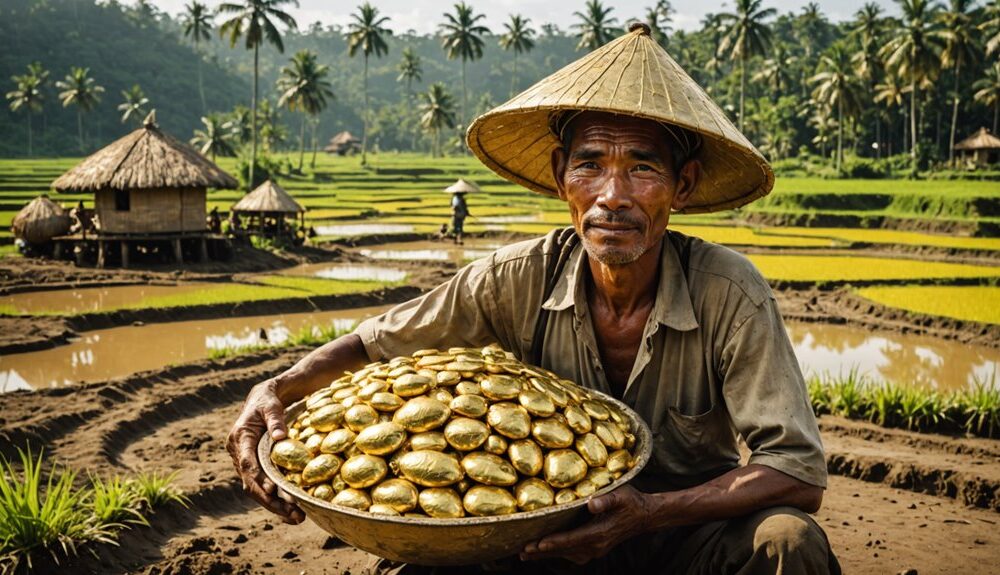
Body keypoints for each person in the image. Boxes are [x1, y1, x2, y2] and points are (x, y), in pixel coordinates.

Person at [228, 23, 838, 575]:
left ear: (685, 183)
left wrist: (649, 510)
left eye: (643, 168)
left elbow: (796, 471)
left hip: (683, 534)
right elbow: (376, 343)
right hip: (546, 537)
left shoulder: (729, 291)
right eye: (590, 165)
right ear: (558, 173)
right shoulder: (515, 276)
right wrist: (274, 390)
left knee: (787, 541)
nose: (612, 196)